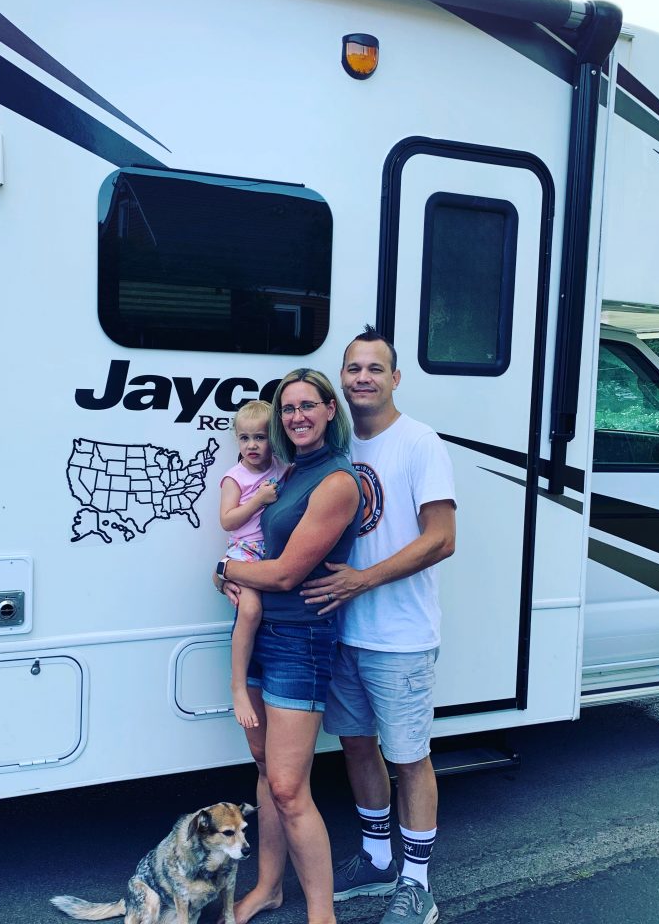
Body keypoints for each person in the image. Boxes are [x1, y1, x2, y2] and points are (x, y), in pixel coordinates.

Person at [300, 327, 457, 924]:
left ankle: (418, 886)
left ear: (395, 379)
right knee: (357, 746)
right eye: (352, 368)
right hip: (343, 634)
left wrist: (361, 582)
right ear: (341, 379)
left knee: (409, 758)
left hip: (401, 637)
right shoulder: (338, 450)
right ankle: (376, 857)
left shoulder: (419, 443)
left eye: (375, 368)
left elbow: (442, 539)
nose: (362, 377)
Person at [214, 368, 363, 924]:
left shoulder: (337, 480)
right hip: (258, 635)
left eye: (307, 406)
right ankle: (270, 888)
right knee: (263, 766)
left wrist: (225, 567)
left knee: (288, 786)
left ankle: (321, 914)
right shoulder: (290, 470)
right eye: (286, 409)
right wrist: (231, 571)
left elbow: (284, 576)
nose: (296, 416)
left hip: (299, 638)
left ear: (330, 410)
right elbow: (256, 556)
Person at [218, 400, 286, 729]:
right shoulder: (235, 477)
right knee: (249, 611)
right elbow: (228, 521)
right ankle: (238, 685)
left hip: (270, 552)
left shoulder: (281, 468)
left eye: (260, 437)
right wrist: (258, 499)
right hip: (244, 551)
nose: (252, 445)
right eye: (244, 438)